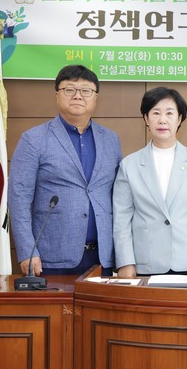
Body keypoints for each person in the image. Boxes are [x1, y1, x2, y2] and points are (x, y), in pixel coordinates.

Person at [9, 65, 122, 277]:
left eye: (86, 90)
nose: (78, 96)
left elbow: (120, 198)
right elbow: (19, 199)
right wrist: (27, 251)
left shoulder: (111, 140)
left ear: (95, 98)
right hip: (51, 257)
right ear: (57, 95)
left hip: (104, 256)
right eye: (69, 89)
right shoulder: (33, 139)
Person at [112, 87, 187, 277]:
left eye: (169, 113)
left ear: (179, 119)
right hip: (145, 262)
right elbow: (121, 219)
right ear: (146, 118)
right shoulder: (129, 165)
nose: (162, 120)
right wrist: (125, 261)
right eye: (155, 113)